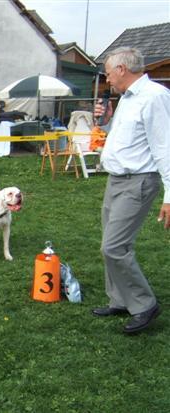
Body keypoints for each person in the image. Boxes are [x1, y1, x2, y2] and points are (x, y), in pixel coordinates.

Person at [92, 47, 170, 334]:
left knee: (114, 247)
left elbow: (165, 147)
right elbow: (124, 137)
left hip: (138, 181)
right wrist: (105, 121)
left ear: (122, 69)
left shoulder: (155, 97)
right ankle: (120, 300)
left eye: (108, 73)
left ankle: (144, 305)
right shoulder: (127, 97)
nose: (108, 80)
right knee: (111, 244)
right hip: (116, 180)